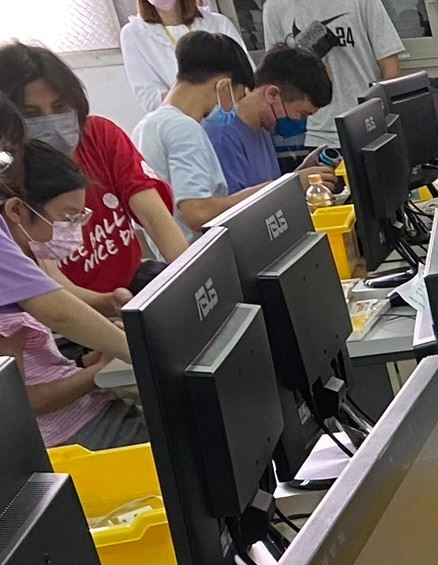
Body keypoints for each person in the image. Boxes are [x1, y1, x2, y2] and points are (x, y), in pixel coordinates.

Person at [0, 43, 187, 295]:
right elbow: (48, 288)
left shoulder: (99, 136)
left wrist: (190, 277)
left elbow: (153, 216)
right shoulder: (8, 176)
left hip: (133, 284)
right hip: (72, 306)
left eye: (59, 107)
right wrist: (106, 306)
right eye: (31, 114)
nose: (50, 121)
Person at [1, 141, 141, 445]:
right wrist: (122, 359)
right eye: (67, 218)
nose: (74, 229)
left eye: (80, 217)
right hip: (66, 432)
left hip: (86, 408)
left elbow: (56, 290)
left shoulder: (30, 251)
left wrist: (96, 354)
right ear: (16, 210)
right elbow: (21, 402)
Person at [136, 32, 260, 234]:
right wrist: (265, 192)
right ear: (223, 86)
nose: (232, 108)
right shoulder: (183, 128)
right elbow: (198, 213)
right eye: (237, 98)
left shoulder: (146, 125)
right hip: (197, 248)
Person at [260, 0, 402, 155]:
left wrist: (383, 117)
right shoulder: (275, 6)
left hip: (369, 127)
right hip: (317, 133)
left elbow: (390, 64)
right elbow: (276, 73)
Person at [204, 43, 330, 192]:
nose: (300, 121)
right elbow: (237, 204)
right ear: (272, 94)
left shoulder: (264, 127)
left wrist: (302, 172)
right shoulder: (222, 136)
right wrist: (295, 183)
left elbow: (267, 193)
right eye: (302, 114)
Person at [120, 0, 249, 115]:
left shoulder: (218, 23)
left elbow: (247, 77)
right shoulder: (134, 34)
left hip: (234, 118)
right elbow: (148, 95)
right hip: (181, 123)